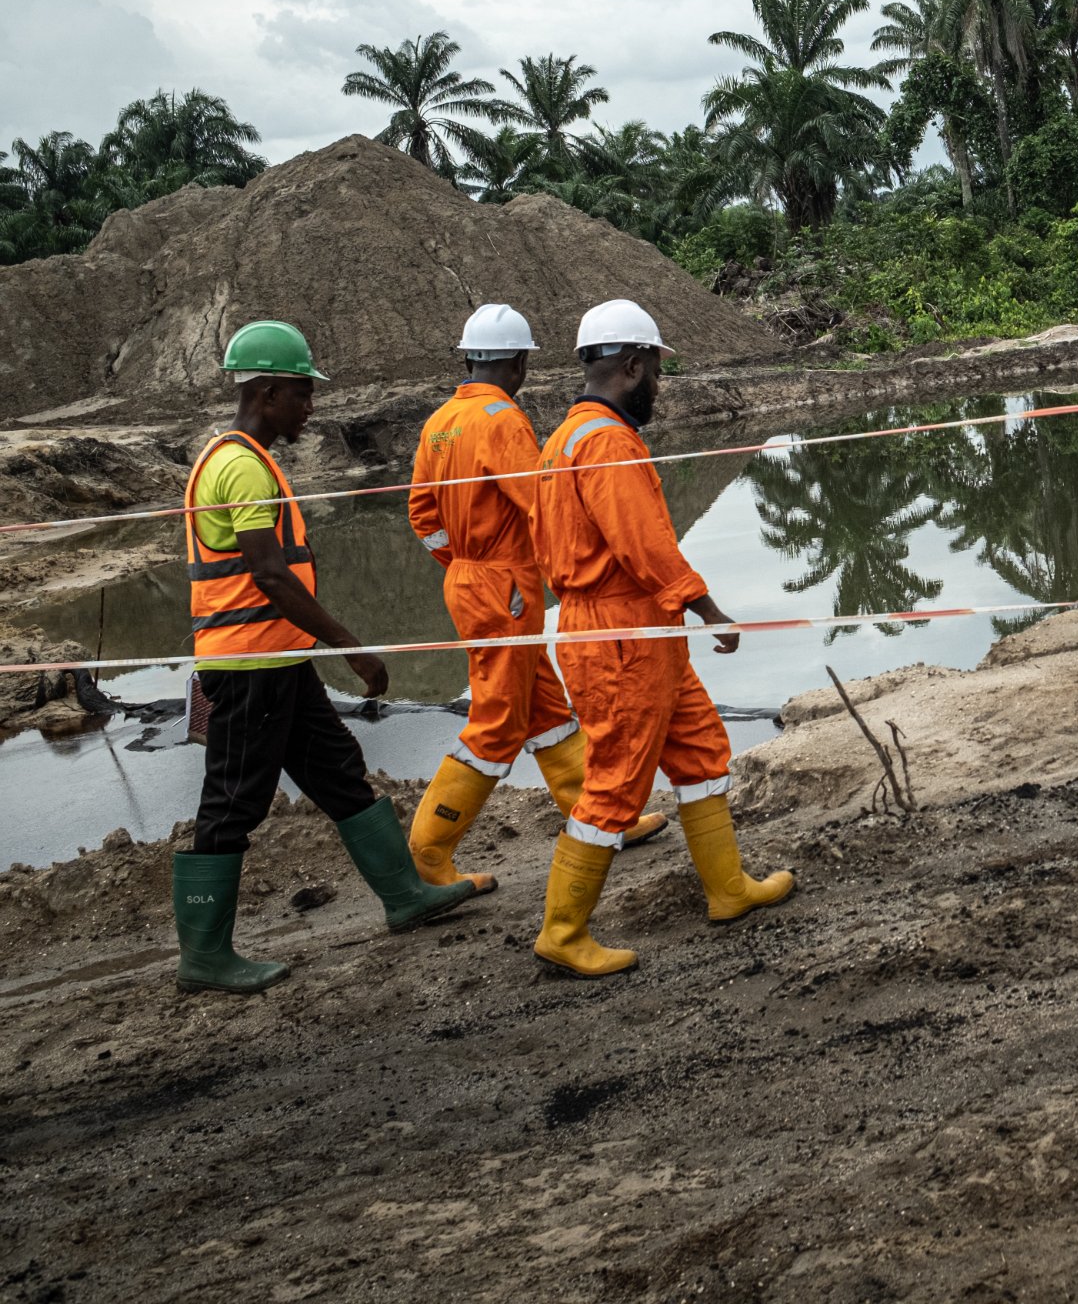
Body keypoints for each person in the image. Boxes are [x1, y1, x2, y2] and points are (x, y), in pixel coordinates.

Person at [172, 320, 479, 996]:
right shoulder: (241, 464)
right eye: (303, 395)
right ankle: (204, 957)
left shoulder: (237, 456)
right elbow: (270, 575)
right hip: (250, 666)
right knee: (232, 804)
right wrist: (352, 648)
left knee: (338, 772)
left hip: (275, 662)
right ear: (270, 391)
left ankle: (404, 897)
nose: (310, 409)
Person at [528, 299, 791, 977]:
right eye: (656, 374)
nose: (659, 389)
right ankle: (563, 930)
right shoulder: (608, 441)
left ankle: (728, 889)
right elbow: (645, 545)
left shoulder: (565, 437)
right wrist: (710, 609)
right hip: (621, 631)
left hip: (633, 628)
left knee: (701, 749)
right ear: (634, 364)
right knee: (615, 783)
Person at [405, 304, 668, 893]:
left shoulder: (441, 421)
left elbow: (421, 511)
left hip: (469, 581)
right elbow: (543, 502)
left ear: (469, 359)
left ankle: (602, 818)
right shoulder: (503, 420)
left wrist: (462, 562)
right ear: (520, 363)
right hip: (503, 586)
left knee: (544, 709)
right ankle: (427, 855)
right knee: (498, 721)